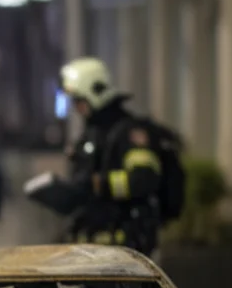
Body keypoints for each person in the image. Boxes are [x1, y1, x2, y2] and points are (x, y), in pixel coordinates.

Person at [59, 57, 163, 255]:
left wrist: (100, 184)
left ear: (94, 92)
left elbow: (144, 179)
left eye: (79, 100)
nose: (76, 107)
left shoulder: (129, 132)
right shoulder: (94, 133)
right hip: (94, 248)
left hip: (126, 247)